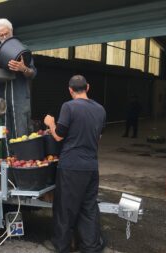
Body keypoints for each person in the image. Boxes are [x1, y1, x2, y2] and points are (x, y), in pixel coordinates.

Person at [44, 75, 106, 253]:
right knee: (89, 207)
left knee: (65, 209)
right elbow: (98, 137)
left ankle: (62, 246)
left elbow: (59, 136)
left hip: (71, 166)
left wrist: (50, 123)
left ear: (70, 90)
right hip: (91, 167)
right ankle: (91, 247)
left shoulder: (69, 106)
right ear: (88, 87)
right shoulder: (100, 109)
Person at [0, 18, 37, 145]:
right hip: (2, 99)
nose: (4, 37)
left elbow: (33, 73)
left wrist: (23, 68)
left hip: (20, 99)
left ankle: (20, 162)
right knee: (4, 132)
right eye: (1, 35)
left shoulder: (23, 49)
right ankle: (6, 161)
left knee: (22, 132)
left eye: (6, 33)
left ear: (12, 31)